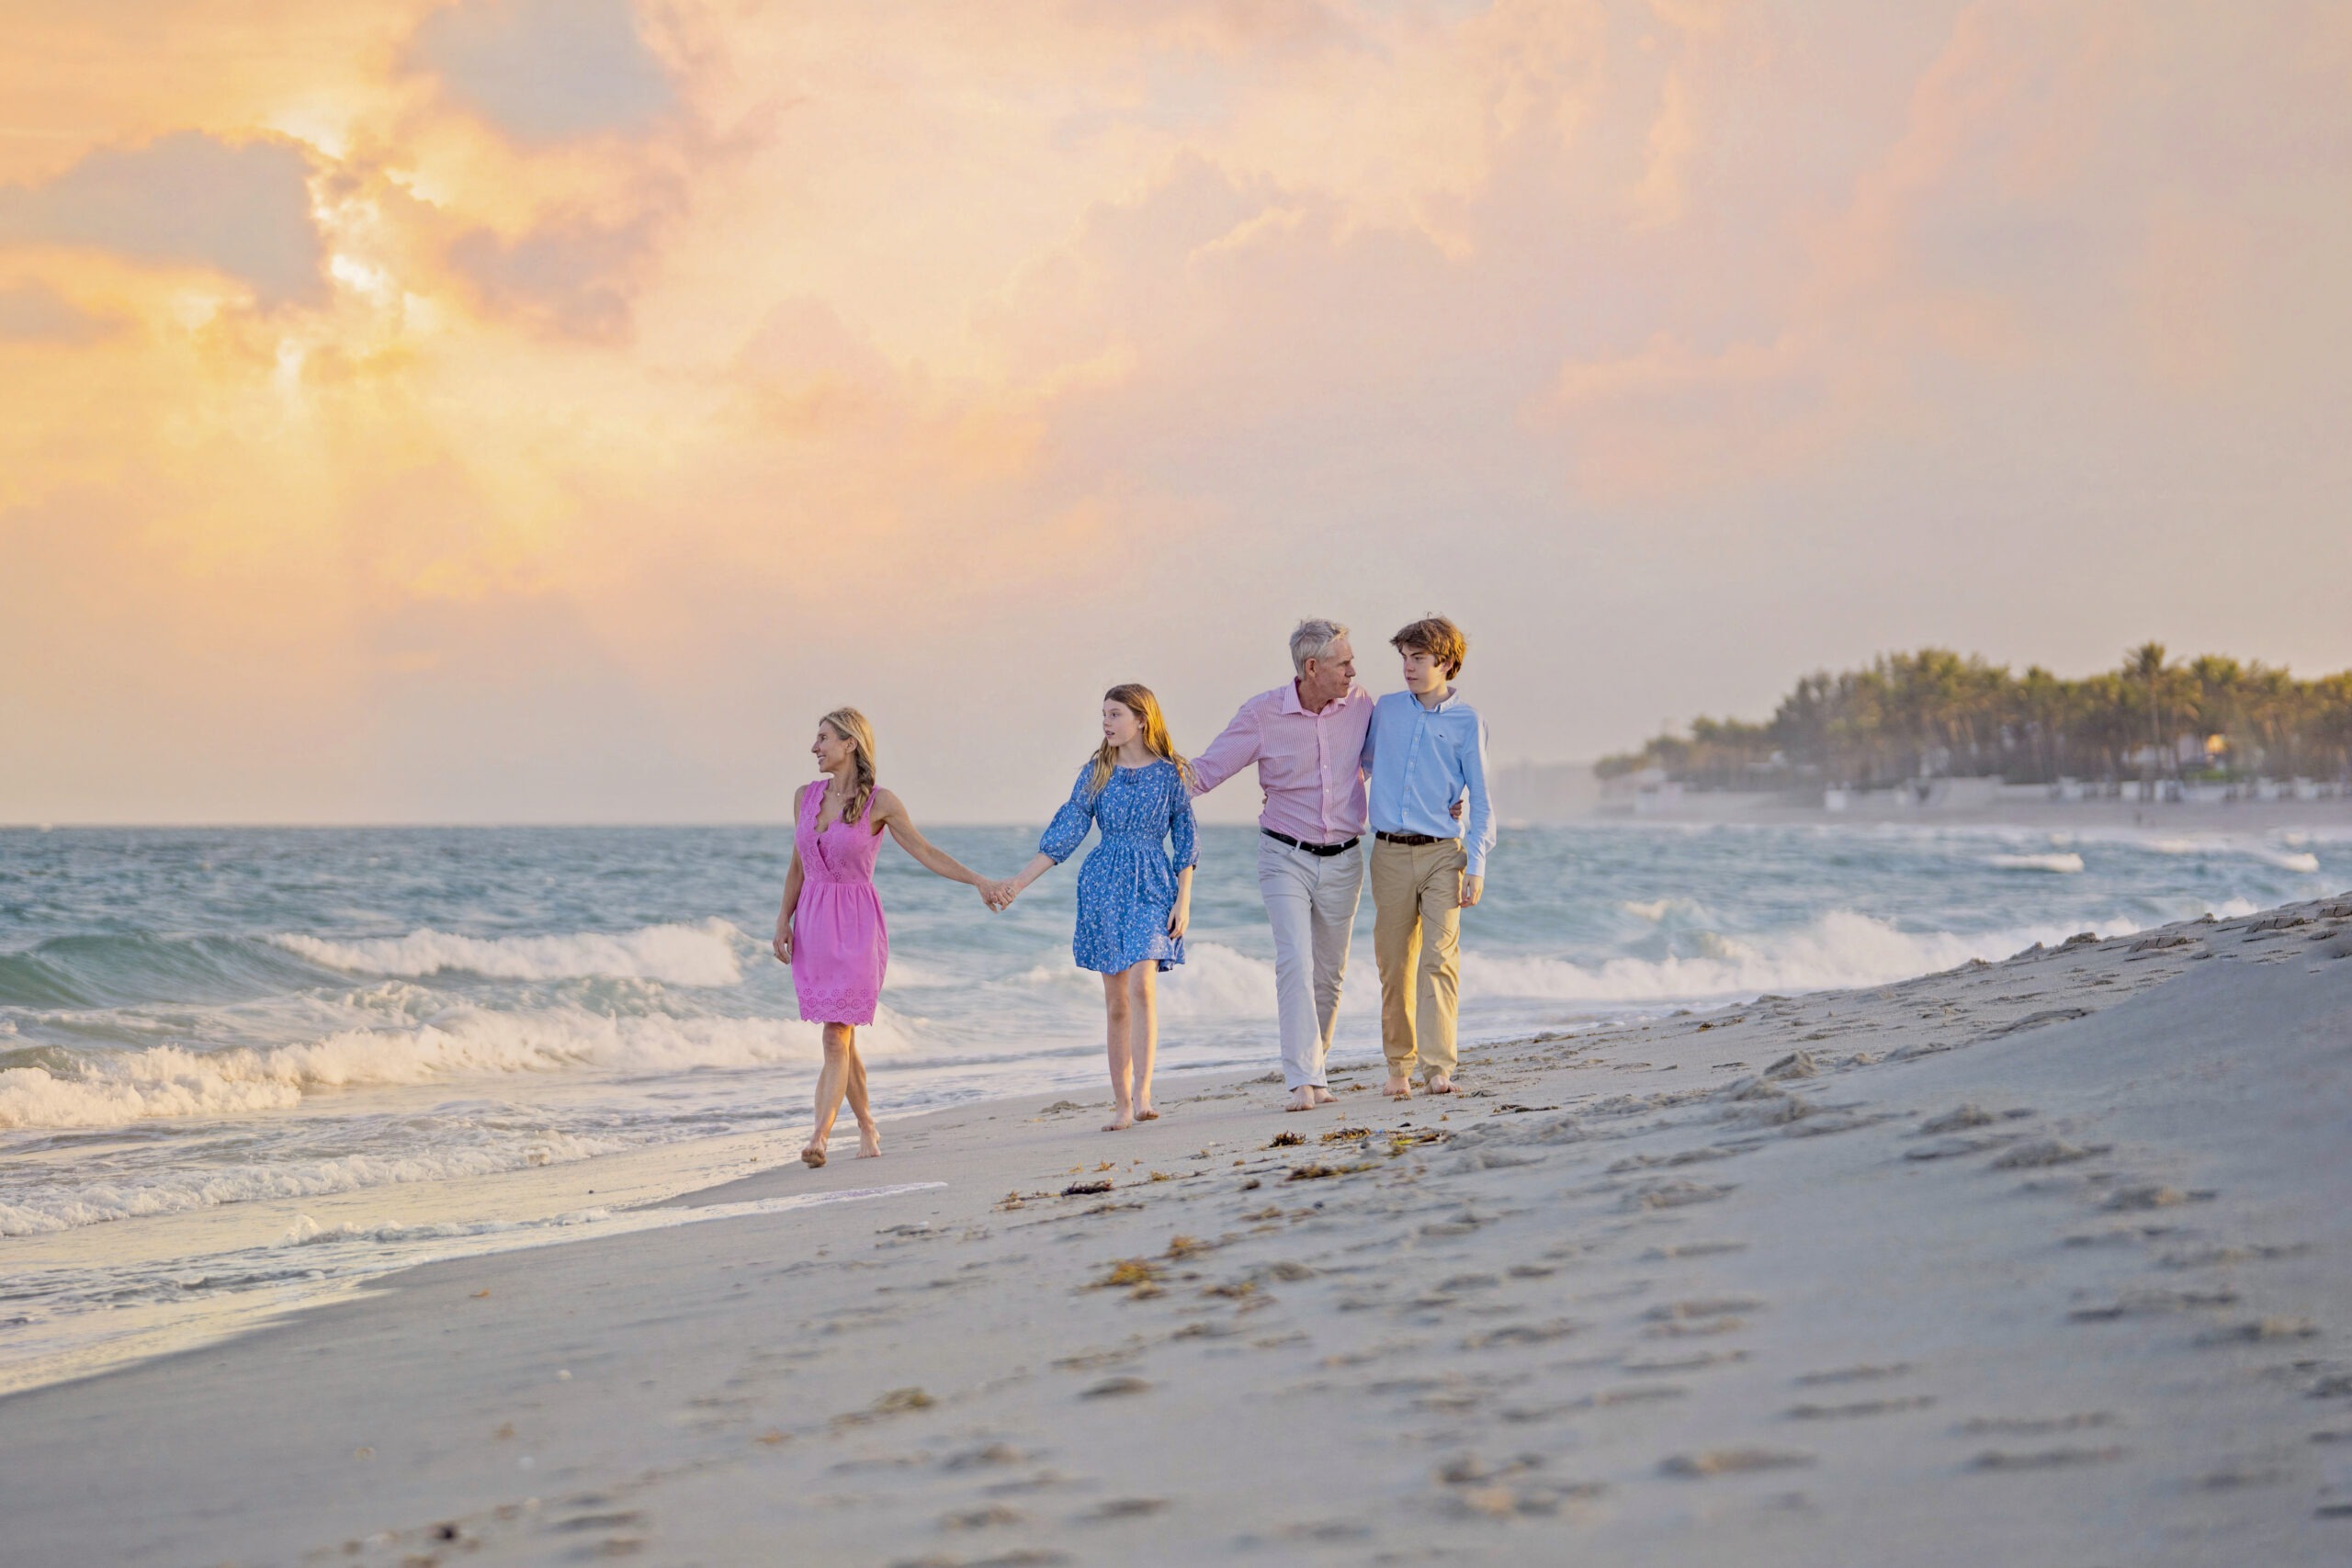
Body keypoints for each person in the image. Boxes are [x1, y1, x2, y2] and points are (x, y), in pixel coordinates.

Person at [771, 706, 1005, 1168]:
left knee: (837, 1034)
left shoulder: (881, 802)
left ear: (849, 744)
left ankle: (819, 1136)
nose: (814, 747)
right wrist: (783, 920)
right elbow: (798, 864)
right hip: (813, 925)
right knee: (842, 1035)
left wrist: (979, 880)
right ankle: (867, 1127)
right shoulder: (804, 797)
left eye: (823, 738)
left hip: (857, 927)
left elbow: (926, 852)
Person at [1190, 618, 1376, 1112]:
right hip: (1283, 856)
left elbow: (1389, 766)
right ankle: (1302, 1079)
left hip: (1344, 858)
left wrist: (1444, 801)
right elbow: (1205, 773)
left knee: (1329, 974)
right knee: (1294, 959)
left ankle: (1316, 1067)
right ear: (1312, 667)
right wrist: (1139, 772)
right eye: (1344, 663)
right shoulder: (1262, 714)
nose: (1353, 671)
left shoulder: (1360, 706)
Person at [1001, 684, 1197, 1132]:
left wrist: (1184, 899)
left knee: (1143, 985)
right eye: (1103, 715)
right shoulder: (1097, 771)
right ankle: (1122, 1105)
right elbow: (1066, 832)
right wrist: (1017, 883)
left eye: (1114, 714)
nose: (1106, 723)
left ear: (1141, 719)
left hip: (1152, 881)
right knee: (1116, 1003)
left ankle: (1145, 1094)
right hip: (1104, 884)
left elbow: (1186, 839)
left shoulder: (1170, 774)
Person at [1363, 615, 1494, 1099]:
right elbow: (1362, 766)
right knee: (1395, 965)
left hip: (1444, 855)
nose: (1408, 668)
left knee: (1439, 959)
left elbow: (1480, 798)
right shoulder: (1387, 710)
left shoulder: (1468, 721)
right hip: (1388, 854)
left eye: (1418, 659)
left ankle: (1439, 1069)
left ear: (1447, 662)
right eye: (1404, 658)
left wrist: (1476, 866)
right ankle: (1398, 1067)